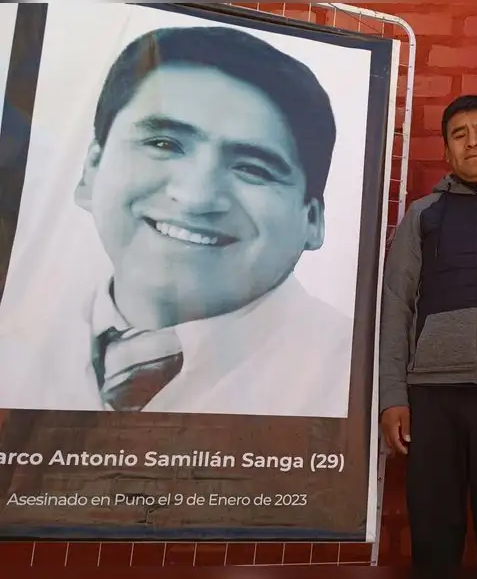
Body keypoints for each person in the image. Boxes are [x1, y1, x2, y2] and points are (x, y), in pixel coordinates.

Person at [0, 26, 352, 418]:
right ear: (91, 170)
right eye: (164, 144)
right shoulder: (14, 338)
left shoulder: (350, 377)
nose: (197, 197)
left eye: (253, 168)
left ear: (314, 220)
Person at [378, 94, 477, 567]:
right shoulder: (422, 216)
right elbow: (396, 308)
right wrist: (394, 397)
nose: (473, 142)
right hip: (433, 397)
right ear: (447, 151)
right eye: (459, 134)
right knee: (433, 536)